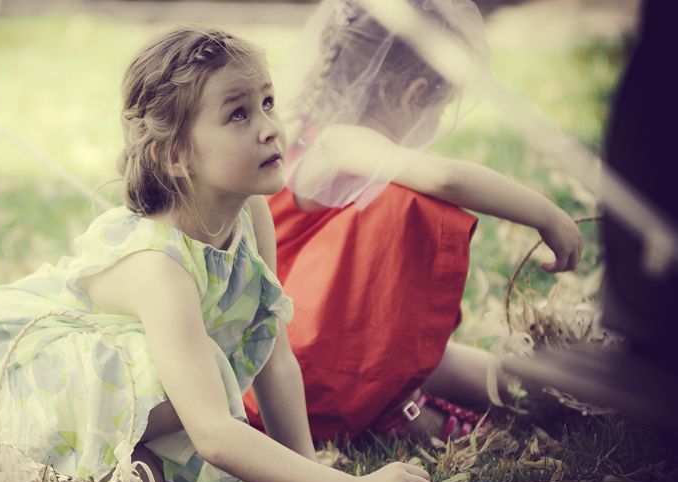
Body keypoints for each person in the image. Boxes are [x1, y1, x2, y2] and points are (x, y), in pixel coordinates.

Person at [0, 26, 434, 482]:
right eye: (237, 114)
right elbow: (214, 432)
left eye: (267, 102)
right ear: (174, 155)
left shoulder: (252, 214)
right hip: (39, 384)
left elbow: (273, 351)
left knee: (206, 377)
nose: (270, 126)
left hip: (122, 386)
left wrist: (312, 474)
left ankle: (135, 479)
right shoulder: (158, 265)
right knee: (203, 381)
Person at [242, 0, 584, 442]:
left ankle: (524, 380)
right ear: (413, 94)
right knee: (409, 204)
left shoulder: (298, 126)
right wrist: (546, 214)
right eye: (437, 111)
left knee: (485, 375)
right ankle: (393, 411)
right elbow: (445, 177)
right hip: (293, 367)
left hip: (283, 346)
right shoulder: (340, 142)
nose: (435, 123)